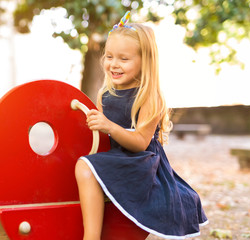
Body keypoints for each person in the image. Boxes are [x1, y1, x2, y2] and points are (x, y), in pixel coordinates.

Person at [75, 11, 208, 240]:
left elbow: (139, 143)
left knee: (84, 166)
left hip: (142, 162)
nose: (114, 64)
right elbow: (104, 139)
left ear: (144, 61)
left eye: (123, 59)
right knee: (83, 165)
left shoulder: (149, 97)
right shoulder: (105, 94)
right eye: (109, 56)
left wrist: (109, 126)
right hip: (118, 156)